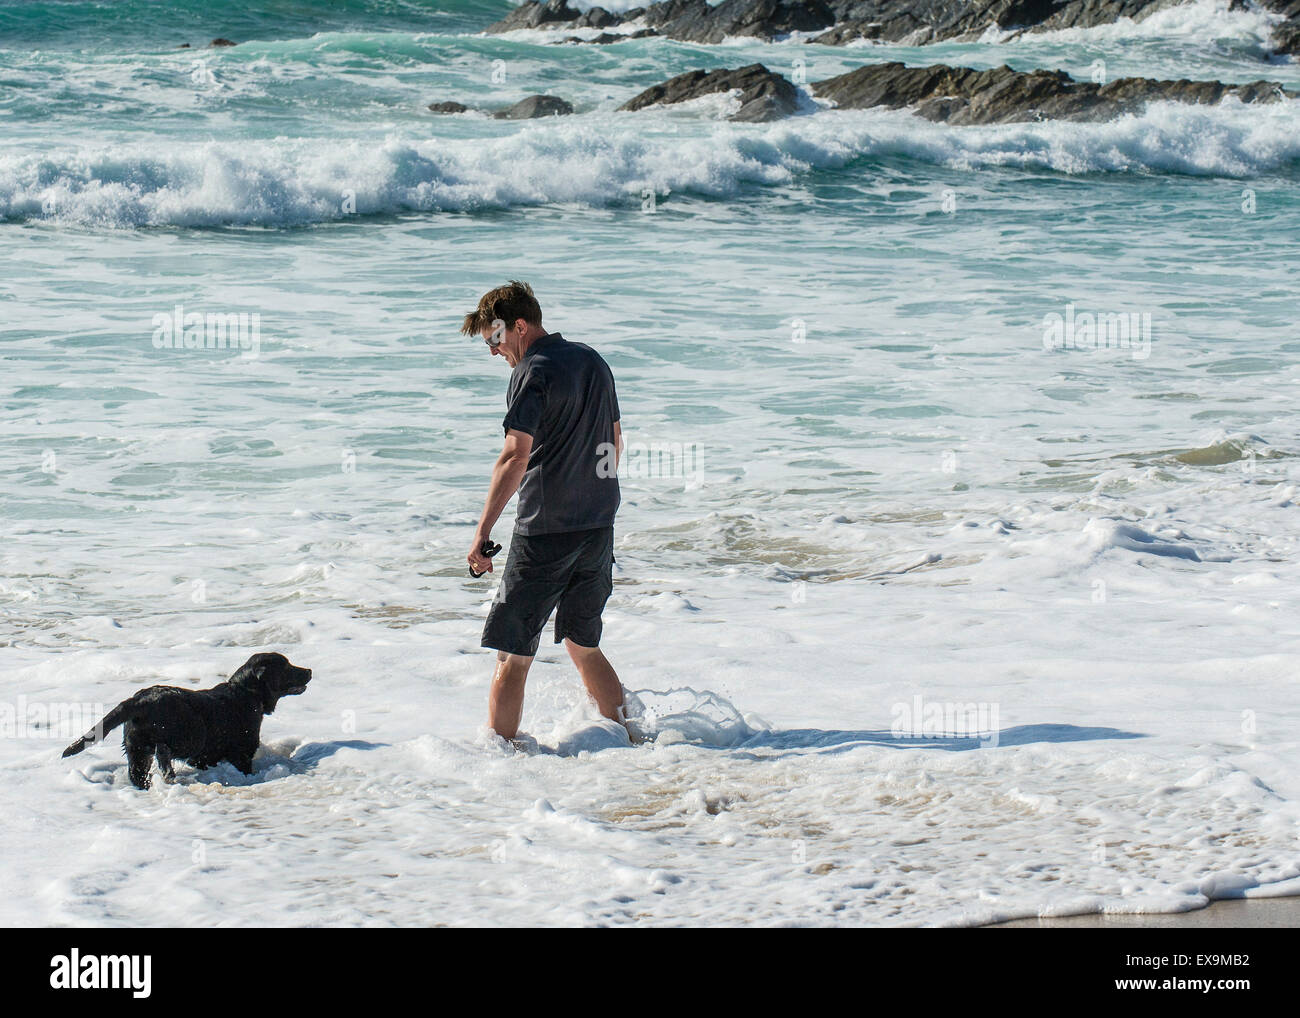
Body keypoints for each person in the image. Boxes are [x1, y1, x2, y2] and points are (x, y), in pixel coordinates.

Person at [460, 280, 628, 743]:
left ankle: (499, 766)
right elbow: (615, 439)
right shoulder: (593, 360)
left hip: (545, 531)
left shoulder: (532, 370)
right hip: (597, 526)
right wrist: (599, 500)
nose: (493, 351)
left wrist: (482, 532)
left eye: (494, 339)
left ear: (518, 326)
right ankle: (630, 739)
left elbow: (515, 455)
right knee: (583, 643)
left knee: (512, 655)